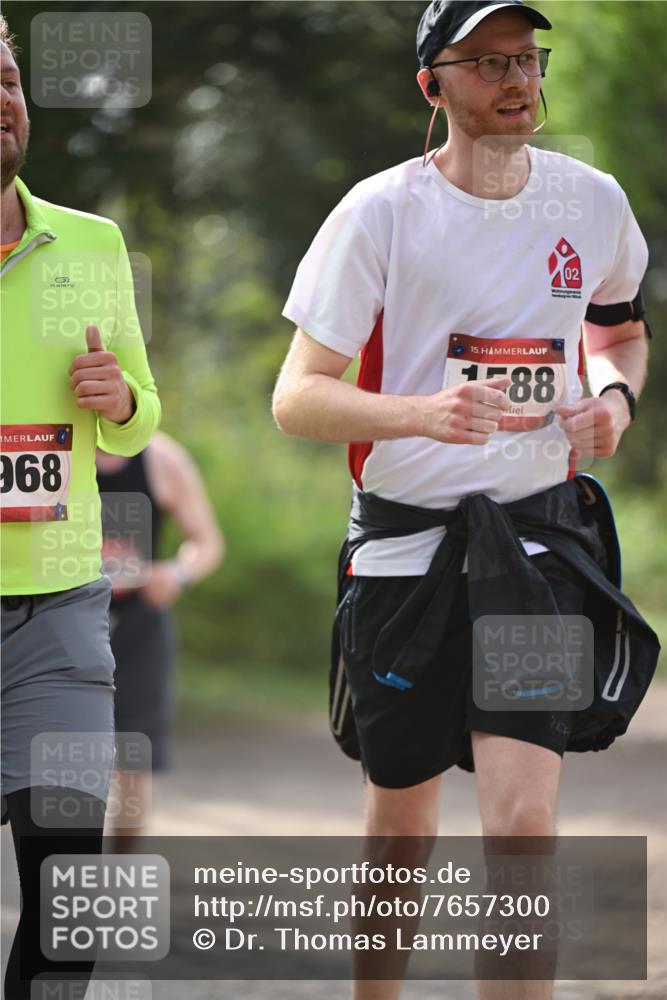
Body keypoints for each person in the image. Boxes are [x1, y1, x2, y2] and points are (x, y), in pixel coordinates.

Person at [272, 2, 659, 997]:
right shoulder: (379, 214)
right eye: (485, 63)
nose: (515, 79)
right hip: (405, 552)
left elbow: (616, 329)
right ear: (431, 85)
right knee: (402, 825)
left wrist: (612, 398)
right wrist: (420, 413)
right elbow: (297, 397)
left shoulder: (590, 202)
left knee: (524, 827)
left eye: (526, 59)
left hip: (534, 549)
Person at [1, 17, 160, 998]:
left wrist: (120, 400)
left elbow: (141, 420)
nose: (1, 101)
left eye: (8, 78)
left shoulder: (92, 242)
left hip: (59, 618)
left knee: (69, 913)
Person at [95, 431, 224, 850]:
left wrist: (176, 574)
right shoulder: (46, 453)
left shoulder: (162, 458)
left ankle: (115, 882)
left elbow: (206, 542)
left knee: (132, 763)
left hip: (138, 628)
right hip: (56, 623)